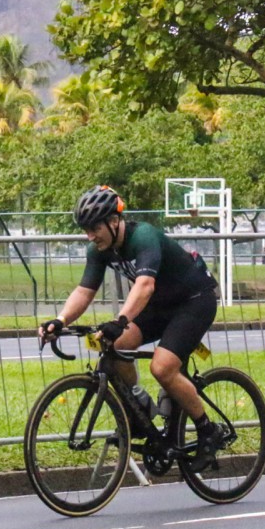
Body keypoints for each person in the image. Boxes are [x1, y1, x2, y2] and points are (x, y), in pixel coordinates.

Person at [39, 185, 225, 470]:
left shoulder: (144, 237)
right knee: (115, 345)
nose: (90, 235)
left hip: (194, 301)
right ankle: (139, 412)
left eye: (94, 228)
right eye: (86, 229)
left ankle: (207, 431)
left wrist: (120, 321)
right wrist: (61, 320)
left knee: (162, 368)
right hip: (160, 306)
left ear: (114, 222)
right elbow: (85, 290)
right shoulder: (99, 249)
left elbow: (145, 284)